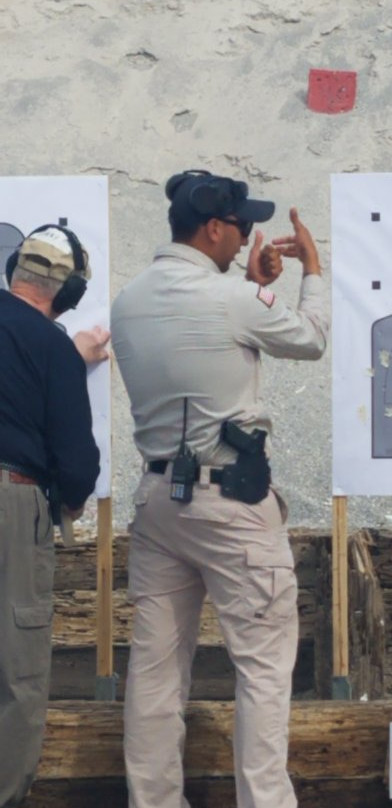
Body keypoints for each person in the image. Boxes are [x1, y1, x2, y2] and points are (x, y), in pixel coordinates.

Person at [111, 169, 329, 808]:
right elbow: (311, 339)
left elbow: (202, 328)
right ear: (212, 228)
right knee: (262, 669)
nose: (244, 239)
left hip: (159, 499)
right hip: (231, 500)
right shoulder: (232, 298)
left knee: (153, 676)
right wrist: (311, 271)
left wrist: (248, 287)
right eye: (238, 227)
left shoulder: (128, 300)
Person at [0, 225, 100, 807]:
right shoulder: (52, 347)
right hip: (14, 499)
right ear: (68, 292)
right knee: (17, 672)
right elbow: (77, 465)